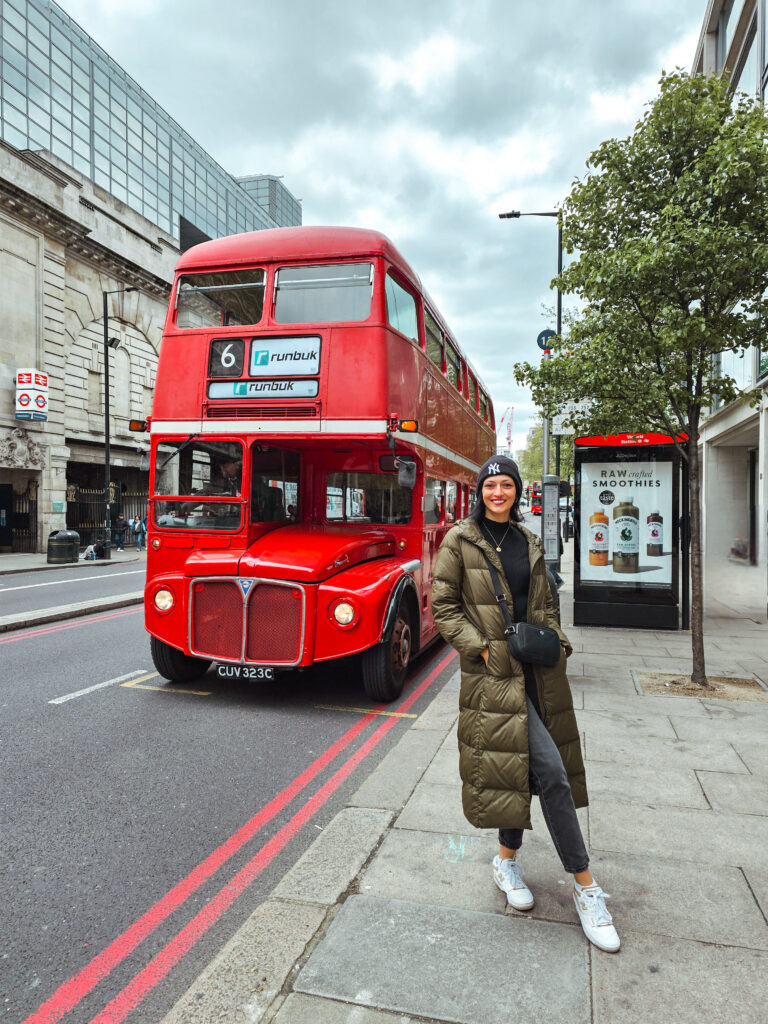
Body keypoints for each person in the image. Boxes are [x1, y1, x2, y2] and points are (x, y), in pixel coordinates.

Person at [431, 454, 620, 953]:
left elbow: (547, 604)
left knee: (519, 767)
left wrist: (557, 642)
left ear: (517, 491)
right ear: (481, 491)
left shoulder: (529, 540)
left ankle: (505, 860)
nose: (499, 492)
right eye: (491, 485)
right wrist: (483, 647)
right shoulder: (460, 539)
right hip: (494, 677)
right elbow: (443, 606)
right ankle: (585, 886)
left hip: (538, 675)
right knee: (551, 772)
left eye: (506, 485)